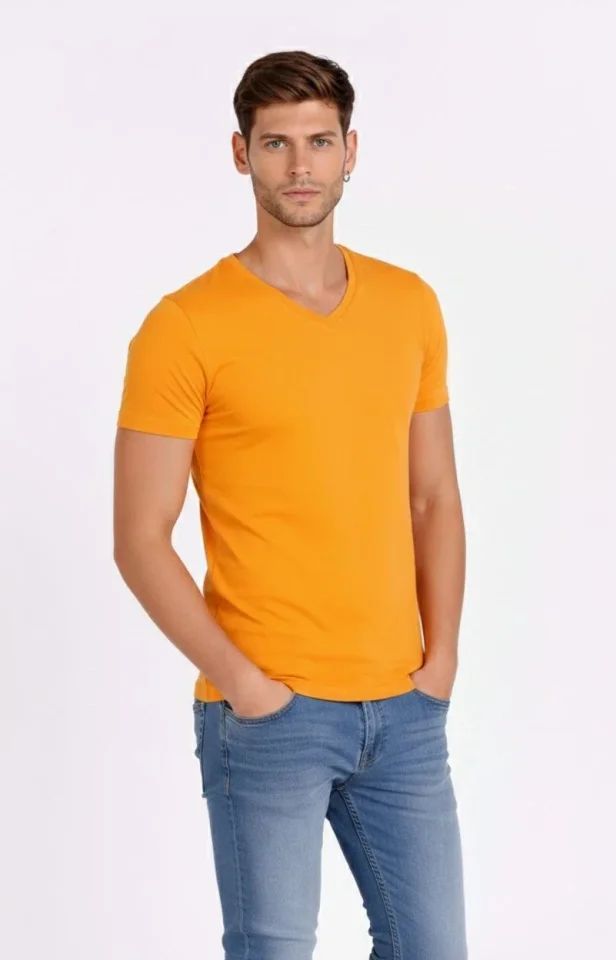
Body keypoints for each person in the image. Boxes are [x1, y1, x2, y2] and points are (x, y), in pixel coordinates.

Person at [113, 49, 468, 960]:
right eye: (276, 143)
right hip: (269, 714)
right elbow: (140, 538)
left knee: (433, 947)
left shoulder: (409, 304)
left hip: (404, 707)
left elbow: (433, 496)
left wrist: (440, 663)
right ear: (242, 154)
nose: (300, 165)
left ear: (352, 150)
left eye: (319, 141)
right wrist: (245, 685)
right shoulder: (184, 326)